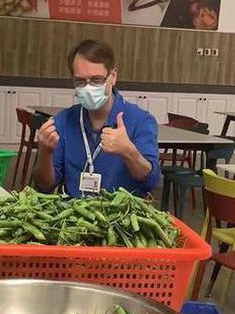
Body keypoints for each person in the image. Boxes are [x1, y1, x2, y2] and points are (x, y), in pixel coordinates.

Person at [34, 39, 160, 197]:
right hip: (74, 214)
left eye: (96, 80)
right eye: (80, 81)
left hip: (120, 216)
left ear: (113, 77)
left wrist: (129, 152)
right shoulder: (63, 121)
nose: (88, 88)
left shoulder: (141, 121)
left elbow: (151, 181)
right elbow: (44, 186)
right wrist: (45, 153)